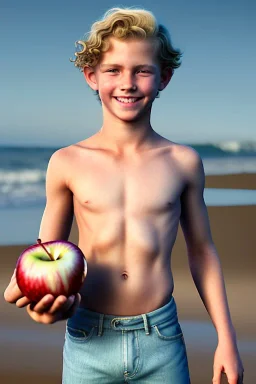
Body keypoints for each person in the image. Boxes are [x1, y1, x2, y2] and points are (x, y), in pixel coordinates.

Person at [4, 7, 244, 384]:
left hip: (161, 339)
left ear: (163, 77)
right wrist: (44, 304)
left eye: (142, 70)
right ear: (91, 77)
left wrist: (226, 339)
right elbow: (46, 250)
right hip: (88, 339)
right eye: (113, 70)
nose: (127, 83)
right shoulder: (67, 162)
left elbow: (202, 251)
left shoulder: (182, 162)